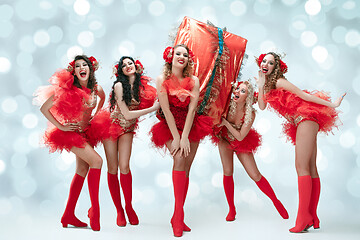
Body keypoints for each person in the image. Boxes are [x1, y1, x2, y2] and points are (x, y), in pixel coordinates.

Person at [255, 52, 345, 233]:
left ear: (276, 67)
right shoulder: (267, 85)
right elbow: (262, 106)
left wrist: (333, 105)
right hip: (301, 121)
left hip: (305, 117)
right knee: (310, 168)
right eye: (264, 61)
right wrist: (261, 83)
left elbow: (304, 95)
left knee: (301, 167)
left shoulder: (280, 81)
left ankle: (303, 218)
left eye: (271, 62)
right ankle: (313, 216)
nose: (266, 64)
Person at [34, 55, 106, 231]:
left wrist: (94, 117)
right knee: (97, 161)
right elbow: (44, 108)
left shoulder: (97, 89)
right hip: (71, 135)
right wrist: (61, 126)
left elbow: (102, 100)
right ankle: (95, 211)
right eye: (78, 66)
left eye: (85, 65)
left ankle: (68, 214)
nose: (82, 68)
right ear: (74, 72)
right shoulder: (68, 89)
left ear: (91, 68)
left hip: (86, 133)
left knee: (82, 169)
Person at [150, 44, 212, 237]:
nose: (181, 57)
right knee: (178, 159)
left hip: (190, 125)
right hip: (169, 126)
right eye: (178, 53)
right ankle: (178, 217)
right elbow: (166, 110)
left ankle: (178, 215)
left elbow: (193, 109)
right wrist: (177, 138)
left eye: (185, 54)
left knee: (186, 167)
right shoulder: (162, 79)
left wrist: (185, 136)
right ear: (171, 56)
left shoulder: (193, 79)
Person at [89, 56, 159, 226]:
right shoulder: (120, 85)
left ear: (136, 66)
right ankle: (119, 210)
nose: (128, 66)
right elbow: (126, 114)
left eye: (130, 63)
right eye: (124, 65)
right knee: (112, 167)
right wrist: (153, 108)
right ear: (120, 70)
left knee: (125, 166)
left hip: (127, 129)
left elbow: (159, 100)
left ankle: (129, 206)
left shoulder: (145, 88)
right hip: (110, 125)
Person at [211, 80, 288, 222]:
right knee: (228, 172)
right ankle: (232, 209)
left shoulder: (250, 113)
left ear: (247, 97)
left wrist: (226, 123)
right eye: (237, 89)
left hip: (240, 141)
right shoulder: (227, 103)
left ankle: (275, 200)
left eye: (242, 91)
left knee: (255, 174)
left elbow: (240, 137)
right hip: (224, 140)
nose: (238, 92)